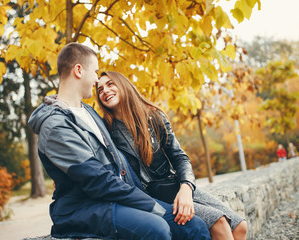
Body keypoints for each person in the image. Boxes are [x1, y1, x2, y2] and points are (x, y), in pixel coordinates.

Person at [28, 43, 211, 240]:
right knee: (156, 228)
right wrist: (149, 204)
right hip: (85, 207)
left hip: (117, 199)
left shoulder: (88, 111)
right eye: (96, 72)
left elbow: (119, 160)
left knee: (194, 226)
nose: (97, 80)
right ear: (79, 70)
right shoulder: (55, 125)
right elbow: (97, 180)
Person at [96, 71, 248, 240]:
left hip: (175, 185)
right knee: (218, 222)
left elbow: (179, 157)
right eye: (100, 89)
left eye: (110, 84)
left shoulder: (154, 117)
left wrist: (186, 187)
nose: (105, 91)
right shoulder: (106, 130)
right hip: (152, 196)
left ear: (123, 85)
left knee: (240, 226)